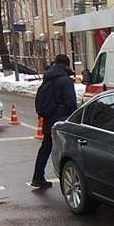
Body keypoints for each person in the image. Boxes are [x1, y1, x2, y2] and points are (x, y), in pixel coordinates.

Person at [31, 54, 78, 188]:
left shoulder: (48, 78)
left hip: (48, 118)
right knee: (69, 150)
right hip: (61, 120)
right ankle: (70, 180)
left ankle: (38, 177)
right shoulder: (65, 80)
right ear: (67, 65)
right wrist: (73, 119)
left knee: (46, 148)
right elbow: (71, 103)